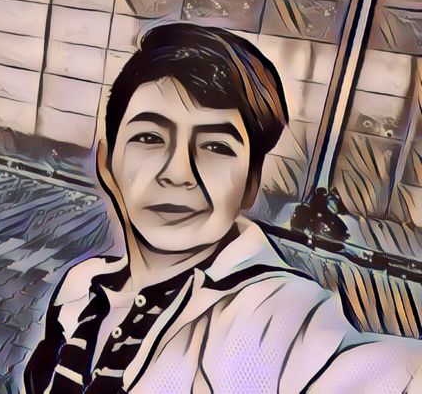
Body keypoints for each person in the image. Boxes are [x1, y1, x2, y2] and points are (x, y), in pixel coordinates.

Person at [23, 23, 422, 393]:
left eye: (215, 147)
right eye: (149, 138)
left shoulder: (277, 318)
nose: (179, 173)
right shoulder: (81, 287)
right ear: (107, 164)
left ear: (249, 184)